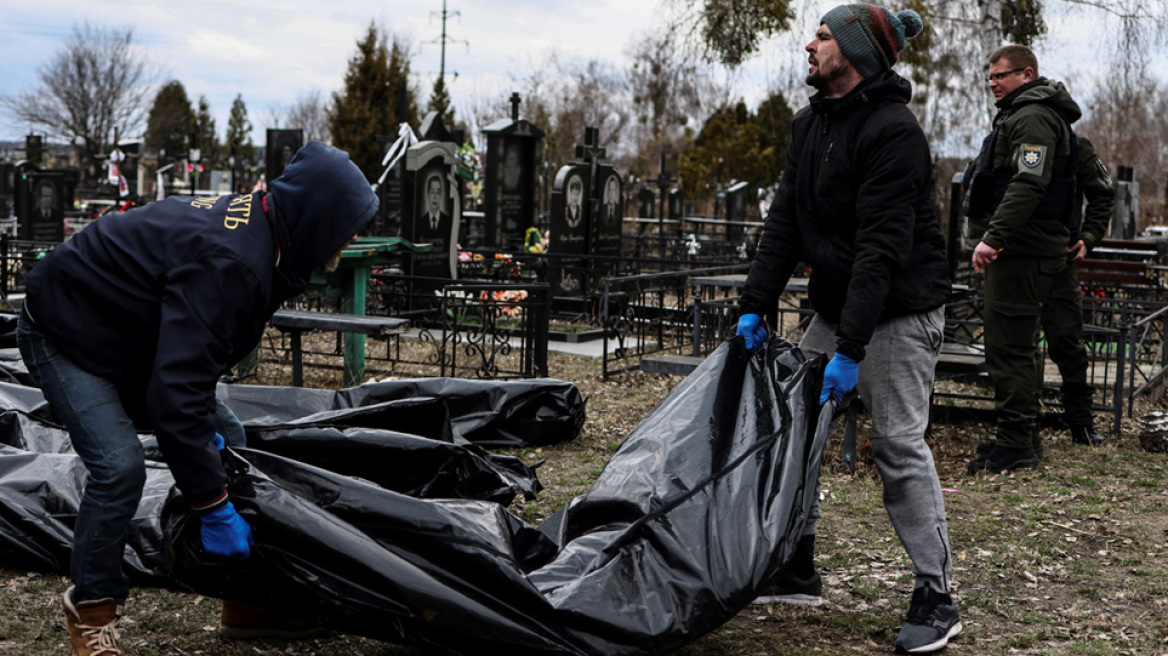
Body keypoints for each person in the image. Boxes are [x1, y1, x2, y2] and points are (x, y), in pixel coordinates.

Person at [16, 142, 378, 655]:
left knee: (229, 441)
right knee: (119, 467)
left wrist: (208, 467)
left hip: (124, 328)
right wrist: (212, 506)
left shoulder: (264, 233)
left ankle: (247, 600)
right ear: (317, 216)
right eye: (347, 222)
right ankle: (93, 612)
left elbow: (189, 368)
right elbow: (175, 395)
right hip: (63, 328)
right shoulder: (235, 260)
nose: (353, 235)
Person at [735, 5, 960, 653]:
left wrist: (851, 349)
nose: (809, 45)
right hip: (837, 309)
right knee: (796, 433)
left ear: (857, 52)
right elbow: (785, 224)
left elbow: (881, 251)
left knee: (896, 445)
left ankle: (936, 594)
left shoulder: (895, 132)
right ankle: (797, 564)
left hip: (900, 309)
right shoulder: (809, 125)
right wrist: (754, 303)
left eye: (824, 35)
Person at [963, 45, 1090, 474]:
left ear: (1027, 74)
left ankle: (1016, 444)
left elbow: (1028, 185)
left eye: (1001, 75)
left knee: (1010, 347)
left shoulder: (1033, 116)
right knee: (1012, 346)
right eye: (990, 77)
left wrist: (992, 239)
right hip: (1026, 249)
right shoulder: (1022, 115)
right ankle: (1023, 435)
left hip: (1022, 252)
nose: (993, 83)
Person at [972, 134, 1114, 461]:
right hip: (1016, 258)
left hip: (1057, 259)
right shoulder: (1001, 142)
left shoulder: (1077, 147)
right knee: (1020, 343)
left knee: (1067, 339)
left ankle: (1081, 421)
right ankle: (1026, 428)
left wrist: (1090, 236)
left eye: (998, 77)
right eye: (989, 77)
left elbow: (1103, 191)